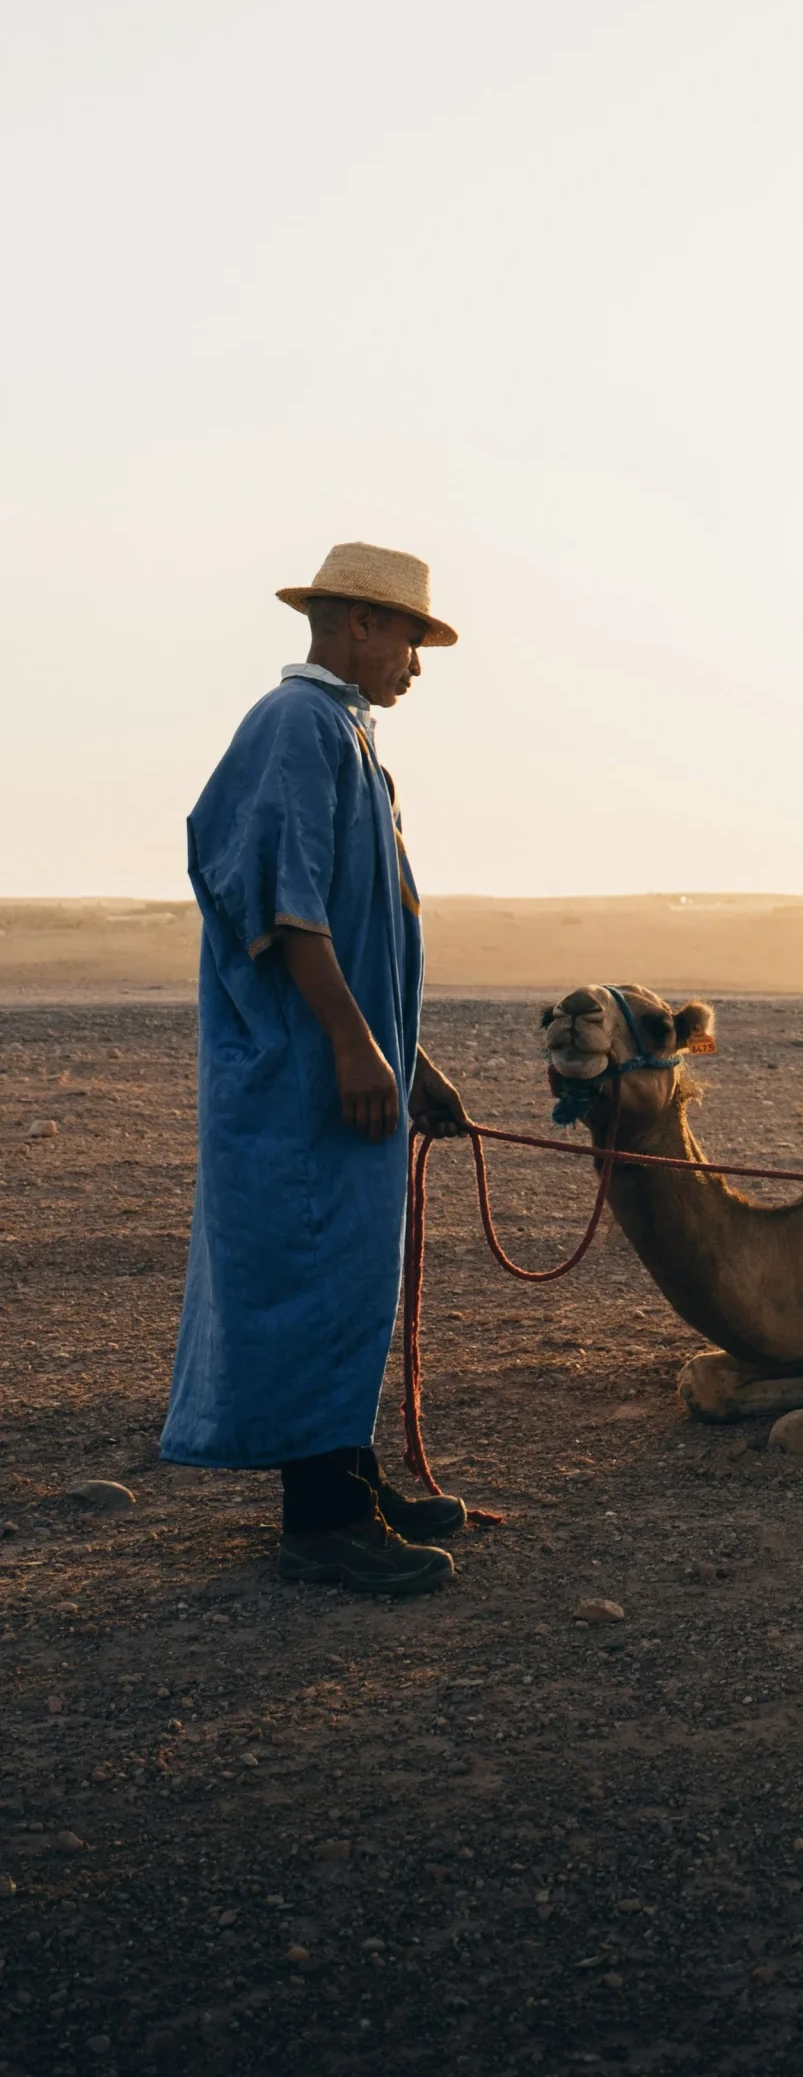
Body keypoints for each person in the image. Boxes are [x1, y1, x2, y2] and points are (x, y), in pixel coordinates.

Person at [161, 543, 475, 1594]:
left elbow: (360, 929)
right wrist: (352, 1042)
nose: (417, 665)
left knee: (345, 1276)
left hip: (341, 1065)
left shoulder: (341, 731)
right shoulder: (296, 727)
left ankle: (350, 1476)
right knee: (309, 1272)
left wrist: (405, 1055)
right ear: (356, 626)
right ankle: (322, 1519)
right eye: (409, 640)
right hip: (304, 1077)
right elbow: (288, 910)